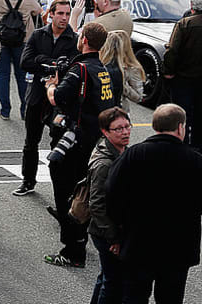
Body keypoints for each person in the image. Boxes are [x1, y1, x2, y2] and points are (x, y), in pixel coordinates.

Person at [106, 104, 202, 304]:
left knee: (134, 296)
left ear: (155, 126)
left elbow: (112, 193)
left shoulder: (133, 155)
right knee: (170, 298)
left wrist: (120, 228)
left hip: (138, 242)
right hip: (178, 247)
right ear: (180, 128)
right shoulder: (195, 160)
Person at [43, 22, 121, 268]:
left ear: (84, 40)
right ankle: (78, 241)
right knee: (81, 190)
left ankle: (73, 250)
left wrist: (51, 86)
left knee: (66, 192)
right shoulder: (103, 69)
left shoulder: (80, 69)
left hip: (75, 141)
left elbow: (58, 98)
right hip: (93, 140)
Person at [14, 0, 79, 197]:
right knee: (31, 141)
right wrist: (49, 63)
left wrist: (44, 63)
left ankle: (60, 188)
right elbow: (25, 62)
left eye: (67, 14)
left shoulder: (73, 39)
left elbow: (70, 67)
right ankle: (28, 180)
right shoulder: (38, 34)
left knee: (58, 142)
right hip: (36, 96)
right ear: (51, 14)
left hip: (59, 99)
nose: (64, 18)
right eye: (60, 13)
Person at [87, 106, 131, 304]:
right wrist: (113, 238)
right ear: (105, 132)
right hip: (105, 232)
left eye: (127, 126)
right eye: (118, 129)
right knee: (113, 282)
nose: (125, 132)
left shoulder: (120, 151)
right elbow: (96, 204)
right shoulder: (104, 164)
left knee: (107, 276)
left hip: (111, 229)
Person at [164, 0, 202, 149]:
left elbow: (172, 51)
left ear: (192, 5)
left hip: (183, 78)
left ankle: (182, 145)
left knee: (181, 114)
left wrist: (168, 71)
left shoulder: (184, 24)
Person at [100, 30, 145, 109]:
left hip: (119, 109)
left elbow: (138, 97)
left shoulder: (132, 68)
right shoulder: (101, 63)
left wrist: (122, 85)